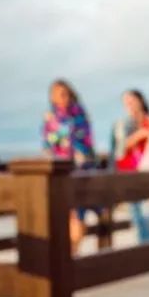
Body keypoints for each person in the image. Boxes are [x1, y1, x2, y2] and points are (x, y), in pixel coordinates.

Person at [41, 79, 96, 252]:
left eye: (64, 94)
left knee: (76, 215)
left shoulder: (78, 115)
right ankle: (69, 255)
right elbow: (47, 145)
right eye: (57, 95)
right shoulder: (51, 117)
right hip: (57, 171)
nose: (62, 98)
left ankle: (72, 253)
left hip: (78, 171)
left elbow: (81, 142)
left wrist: (57, 127)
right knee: (62, 217)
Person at [111, 89, 149, 243]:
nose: (129, 105)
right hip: (131, 173)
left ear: (141, 101)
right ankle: (145, 248)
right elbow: (119, 150)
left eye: (132, 101)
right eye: (126, 103)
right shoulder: (122, 124)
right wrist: (140, 135)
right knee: (137, 214)